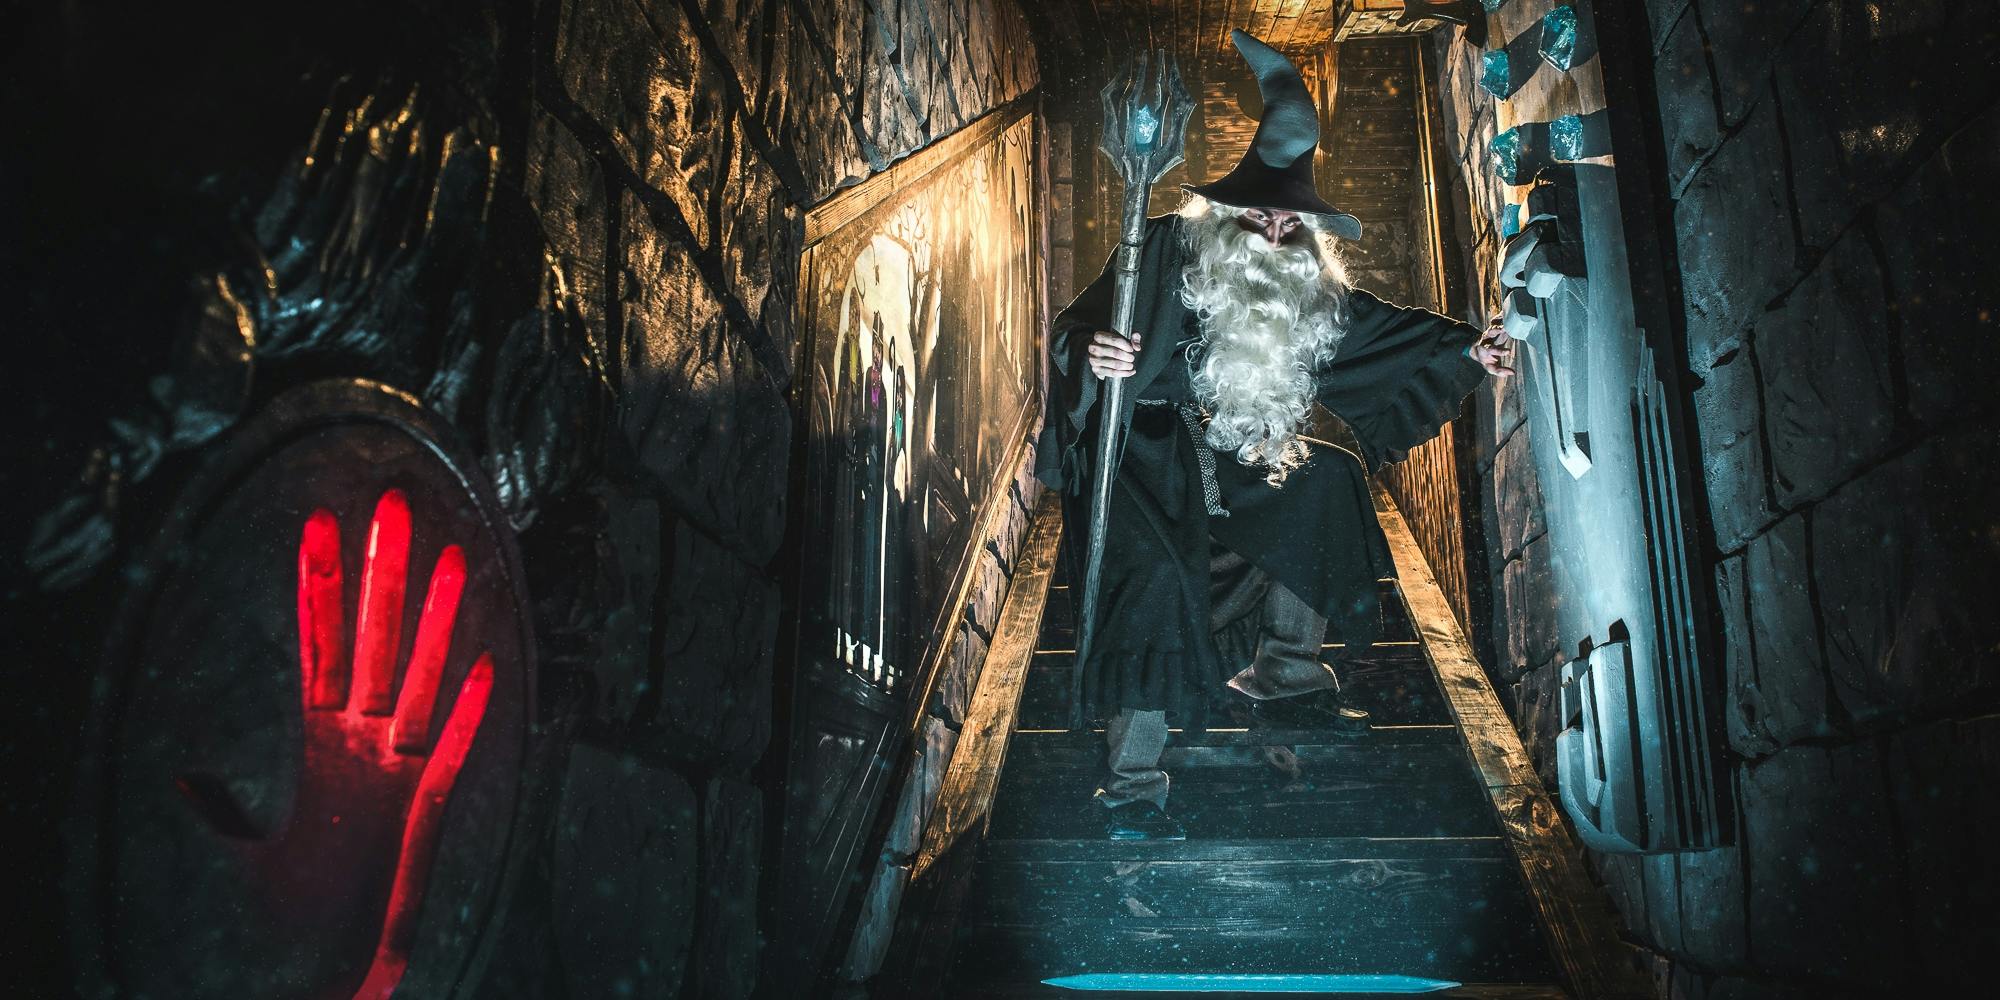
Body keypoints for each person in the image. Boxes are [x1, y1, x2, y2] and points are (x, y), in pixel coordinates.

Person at [1033, 30, 1514, 841]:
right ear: (1227, 211)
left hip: (1230, 459)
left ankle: (1286, 677)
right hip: (1141, 461)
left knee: (1327, 480)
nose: (1275, 234)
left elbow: (1374, 333)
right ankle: (1132, 789)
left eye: (1291, 222)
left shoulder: (1304, 283)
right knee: (1152, 583)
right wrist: (1093, 352)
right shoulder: (1162, 247)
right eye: (1261, 215)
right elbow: (1074, 329)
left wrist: (1468, 349)